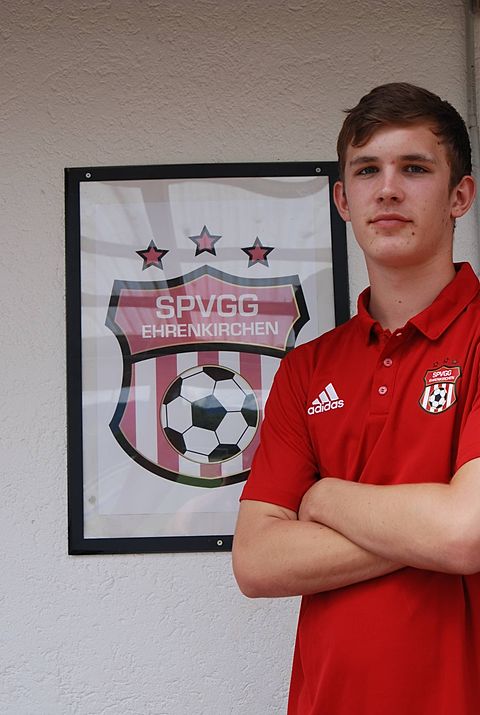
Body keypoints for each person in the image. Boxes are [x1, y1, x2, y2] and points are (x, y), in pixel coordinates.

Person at [232, 82, 480, 715]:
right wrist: (422, 528)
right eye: (367, 170)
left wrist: (324, 499)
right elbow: (257, 562)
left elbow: (465, 534)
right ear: (343, 199)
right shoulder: (307, 369)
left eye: (414, 168)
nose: (388, 189)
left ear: (460, 195)